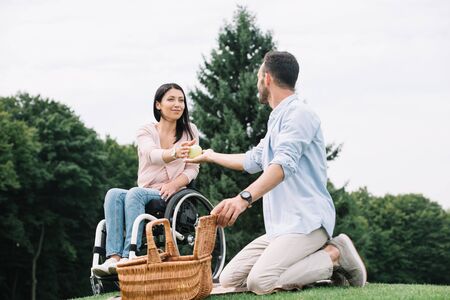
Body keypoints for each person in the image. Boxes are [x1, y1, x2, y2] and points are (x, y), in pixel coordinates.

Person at [186, 51, 367, 294]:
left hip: (308, 222)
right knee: (230, 279)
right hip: (281, 229)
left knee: (260, 282)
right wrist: (210, 155)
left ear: (267, 78)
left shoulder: (299, 115)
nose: (257, 82)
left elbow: (282, 165)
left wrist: (243, 200)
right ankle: (309, 261)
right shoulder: (276, 120)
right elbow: (253, 159)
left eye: (259, 76)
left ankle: (334, 255)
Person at [92, 83, 200, 276]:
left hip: (172, 194)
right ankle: (113, 257)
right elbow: (151, 154)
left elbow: (193, 168)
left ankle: (128, 256)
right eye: (171, 99)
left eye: (181, 100)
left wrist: (175, 184)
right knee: (113, 194)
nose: (178, 104)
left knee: (135, 194)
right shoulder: (146, 131)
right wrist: (175, 153)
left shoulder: (189, 131)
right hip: (147, 190)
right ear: (158, 105)